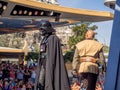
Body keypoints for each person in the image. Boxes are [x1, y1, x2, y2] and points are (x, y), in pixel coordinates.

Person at [35, 20, 70, 90]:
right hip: (43, 64)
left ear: (47, 29)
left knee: (45, 82)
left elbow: (52, 54)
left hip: (49, 64)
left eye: (42, 29)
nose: (41, 31)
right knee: (40, 83)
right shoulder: (44, 39)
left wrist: (49, 64)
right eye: (40, 29)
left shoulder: (53, 38)